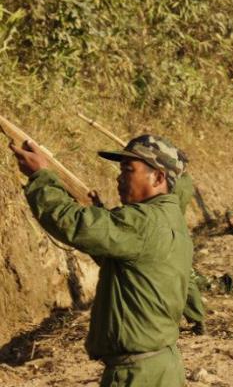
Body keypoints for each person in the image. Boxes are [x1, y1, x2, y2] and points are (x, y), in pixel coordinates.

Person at [10, 135, 192, 386]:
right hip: (159, 368)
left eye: (128, 170)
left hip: (138, 375)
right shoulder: (168, 218)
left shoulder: (144, 222)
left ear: (159, 178)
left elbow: (73, 224)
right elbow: (120, 256)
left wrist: (41, 176)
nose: (119, 178)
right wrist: (101, 214)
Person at [172, 171, 207, 336]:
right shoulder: (185, 181)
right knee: (186, 278)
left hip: (168, 233)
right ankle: (197, 319)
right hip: (179, 232)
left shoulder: (173, 184)